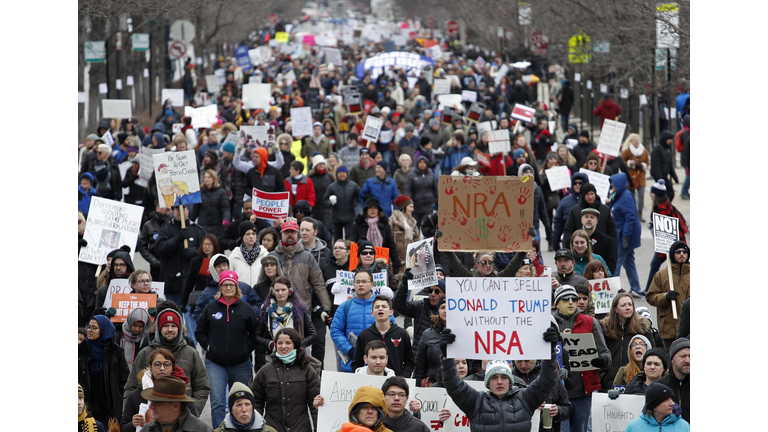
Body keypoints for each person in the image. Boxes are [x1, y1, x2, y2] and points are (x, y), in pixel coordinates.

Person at [439, 325, 561, 432]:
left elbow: (547, 381)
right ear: (487, 383)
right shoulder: (476, 402)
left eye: (504, 377)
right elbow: (454, 385)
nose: (499, 382)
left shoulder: (525, 398)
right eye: (494, 378)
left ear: (510, 381)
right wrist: (446, 357)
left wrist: (550, 353)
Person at [195, 270, 260, 428]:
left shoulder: (246, 309)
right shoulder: (211, 308)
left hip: (241, 363)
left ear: (237, 287)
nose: (228, 287)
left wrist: (246, 350)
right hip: (215, 363)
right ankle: (220, 430)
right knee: (218, 402)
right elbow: (200, 331)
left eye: (231, 284)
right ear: (220, 287)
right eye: (225, 284)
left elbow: (256, 333)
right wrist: (209, 346)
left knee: (240, 401)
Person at [123, 307, 211, 415]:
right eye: (166, 326)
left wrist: (192, 413)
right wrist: (129, 415)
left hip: (183, 418)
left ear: (179, 328)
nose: (170, 329)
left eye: (173, 326)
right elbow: (131, 387)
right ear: (159, 328)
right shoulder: (145, 353)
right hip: (149, 418)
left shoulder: (191, 353)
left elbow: (202, 386)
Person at [552, 285, 611, 432]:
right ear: (557, 303)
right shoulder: (549, 323)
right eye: (566, 299)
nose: (571, 302)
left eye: (574, 299)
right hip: (558, 394)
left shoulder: (590, 322)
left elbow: (605, 354)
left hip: (583, 392)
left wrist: (602, 361)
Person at [269, 220, 333, 334]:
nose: (289, 234)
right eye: (286, 232)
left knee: (302, 346)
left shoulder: (307, 256)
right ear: (281, 234)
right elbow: (263, 282)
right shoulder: (272, 256)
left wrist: (327, 307)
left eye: (292, 232)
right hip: (276, 310)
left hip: (302, 309)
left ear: (296, 234)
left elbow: (318, 283)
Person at [252, 328, 321, 432]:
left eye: (288, 343)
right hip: (272, 428)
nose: (283, 346)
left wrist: (319, 428)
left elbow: (315, 405)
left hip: (301, 428)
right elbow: (256, 403)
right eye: (280, 343)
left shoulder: (307, 370)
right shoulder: (265, 372)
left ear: (295, 344)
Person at [120, 348, 197, 432]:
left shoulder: (181, 395)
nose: (162, 368)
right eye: (157, 364)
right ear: (150, 367)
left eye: (167, 364)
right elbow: (123, 427)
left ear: (172, 368)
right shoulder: (136, 395)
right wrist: (133, 424)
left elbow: (194, 424)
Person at [78, 315, 130, 426]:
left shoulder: (115, 352)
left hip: (109, 411)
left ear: (104, 330)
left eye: (94, 328)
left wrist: (119, 403)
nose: (89, 330)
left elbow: (124, 381)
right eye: (89, 327)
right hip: (85, 409)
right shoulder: (80, 351)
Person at [599, 292, 655, 390]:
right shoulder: (605, 329)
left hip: (636, 380)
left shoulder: (642, 329)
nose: (628, 307)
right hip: (610, 381)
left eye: (630, 304)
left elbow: (652, 354)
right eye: (623, 305)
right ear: (615, 309)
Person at [155, 205, 208, 305]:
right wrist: (177, 239)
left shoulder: (198, 230)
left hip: (193, 285)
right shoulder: (166, 230)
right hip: (173, 283)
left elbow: (208, 251)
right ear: (173, 211)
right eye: (177, 209)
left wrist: (195, 252)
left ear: (188, 211)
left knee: (191, 317)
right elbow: (160, 249)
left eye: (183, 208)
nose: (180, 212)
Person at [255, 276, 317, 360]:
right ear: (272, 292)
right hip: (273, 358)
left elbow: (313, 335)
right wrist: (271, 345)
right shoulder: (266, 310)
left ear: (290, 291)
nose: (280, 293)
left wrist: (296, 345)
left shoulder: (299, 310)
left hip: (296, 358)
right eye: (277, 290)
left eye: (283, 290)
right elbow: (256, 336)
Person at [352, 295, 414, 378]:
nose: (380, 309)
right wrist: (364, 378)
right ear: (372, 313)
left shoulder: (401, 334)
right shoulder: (364, 335)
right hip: (371, 382)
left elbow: (409, 362)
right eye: (377, 307)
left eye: (384, 306)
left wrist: (402, 378)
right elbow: (356, 363)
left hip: (395, 383)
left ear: (391, 312)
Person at [644, 180, 689, 293]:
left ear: (656, 195)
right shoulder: (663, 204)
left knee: (658, 265)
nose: (650, 194)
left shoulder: (663, 208)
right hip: (673, 243)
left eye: (652, 193)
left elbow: (663, 230)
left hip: (672, 244)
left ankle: (650, 289)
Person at [646, 242, 690, 352]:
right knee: (670, 358)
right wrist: (665, 297)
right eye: (678, 252)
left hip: (689, 327)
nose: (682, 254)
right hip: (668, 326)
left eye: (685, 252)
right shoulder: (661, 275)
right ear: (671, 254)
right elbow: (650, 297)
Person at [511, 359, 571, 432]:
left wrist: (557, 411)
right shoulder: (508, 379)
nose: (523, 365)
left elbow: (567, 408)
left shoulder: (550, 377)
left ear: (536, 359)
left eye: (527, 361)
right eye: (519, 361)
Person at [609, 173, 643, 296]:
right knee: (629, 262)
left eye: (613, 184)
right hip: (622, 234)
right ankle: (636, 288)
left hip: (624, 236)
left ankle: (612, 290)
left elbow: (630, 218)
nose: (611, 186)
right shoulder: (619, 195)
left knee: (616, 263)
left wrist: (626, 237)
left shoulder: (626, 197)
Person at [141, 376, 214, 432]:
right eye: (151, 401)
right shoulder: (147, 429)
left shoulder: (202, 430)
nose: (151, 406)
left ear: (175, 406)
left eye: (157, 402)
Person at [349, 198, 402, 273]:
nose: (373, 210)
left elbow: (391, 245)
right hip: (362, 263)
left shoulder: (385, 225)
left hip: (381, 262)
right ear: (366, 210)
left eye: (375, 208)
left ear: (378, 210)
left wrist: (396, 263)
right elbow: (352, 243)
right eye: (370, 208)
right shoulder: (358, 225)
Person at [562, 183, 617, 249]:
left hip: (602, 248)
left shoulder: (605, 210)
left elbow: (612, 231)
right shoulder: (575, 210)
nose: (590, 197)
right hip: (579, 249)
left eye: (592, 194)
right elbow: (568, 231)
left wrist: (613, 250)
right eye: (587, 194)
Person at [623, 383, 689, 432]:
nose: (672, 403)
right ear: (654, 404)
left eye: (671, 399)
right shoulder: (633, 427)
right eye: (666, 400)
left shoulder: (684, 426)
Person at [413, 296, 448, 386]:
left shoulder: (463, 334)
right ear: (438, 311)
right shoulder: (428, 334)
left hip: (458, 386)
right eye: (442, 307)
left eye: (449, 307)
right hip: (432, 386)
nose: (445, 311)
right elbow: (420, 367)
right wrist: (416, 390)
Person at [654, 338, 690, 424]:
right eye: (683, 356)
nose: (688, 360)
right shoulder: (658, 386)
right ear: (672, 359)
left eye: (691, 356)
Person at [552, 172, 589, 251]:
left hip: (590, 243)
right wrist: (555, 240)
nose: (577, 185)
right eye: (575, 183)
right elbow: (558, 222)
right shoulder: (565, 202)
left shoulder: (592, 201)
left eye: (580, 183)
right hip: (570, 243)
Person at [190, 170, 231, 238]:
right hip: (203, 226)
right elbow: (195, 210)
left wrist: (226, 219)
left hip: (217, 226)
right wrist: (190, 222)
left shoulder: (221, 192)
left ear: (214, 179)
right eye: (205, 177)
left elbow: (225, 208)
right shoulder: (200, 192)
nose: (206, 179)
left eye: (209, 177)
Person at [325, 166, 362, 241]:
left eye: (344, 172)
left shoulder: (353, 185)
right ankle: (337, 252)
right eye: (339, 172)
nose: (342, 174)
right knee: (337, 239)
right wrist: (331, 203)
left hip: (350, 217)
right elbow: (325, 200)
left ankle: (349, 252)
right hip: (336, 218)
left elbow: (361, 196)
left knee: (349, 237)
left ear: (347, 174)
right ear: (336, 174)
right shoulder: (332, 186)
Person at [229, 221, 270, 288]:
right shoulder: (234, 256)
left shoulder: (265, 254)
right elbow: (230, 278)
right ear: (242, 236)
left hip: (259, 295)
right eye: (247, 234)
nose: (251, 237)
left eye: (253, 234)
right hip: (241, 294)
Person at [138, 203, 172, 281]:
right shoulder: (148, 225)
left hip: (172, 266)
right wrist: (154, 261)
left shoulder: (175, 224)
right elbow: (142, 246)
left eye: (169, 205)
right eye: (164, 205)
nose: (168, 208)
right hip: (156, 267)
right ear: (157, 208)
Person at [620, 134, 650, 222]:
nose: (637, 142)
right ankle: (632, 213)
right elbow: (621, 161)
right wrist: (630, 163)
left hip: (641, 177)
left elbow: (647, 162)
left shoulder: (643, 150)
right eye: (635, 140)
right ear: (631, 141)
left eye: (638, 140)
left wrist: (643, 165)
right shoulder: (627, 150)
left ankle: (640, 213)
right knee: (631, 196)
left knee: (641, 196)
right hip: (631, 177)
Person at [578, 208, 617, 274]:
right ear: (582, 220)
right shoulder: (572, 240)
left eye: (592, 217)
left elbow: (611, 263)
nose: (589, 219)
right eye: (586, 217)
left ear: (596, 221)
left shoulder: (606, 241)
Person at [389, 195, 419, 277]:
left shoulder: (413, 222)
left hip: (410, 261)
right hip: (396, 261)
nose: (412, 209)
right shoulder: (392, 221)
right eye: (410, 207)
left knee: (409, 284)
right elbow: (388, 241)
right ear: (403, 207)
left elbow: (417, 239)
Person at [404, 156, 438, 228]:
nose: (422, 164)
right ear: (417, 164)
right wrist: (408, 203)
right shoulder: (411, 175)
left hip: (428, 206)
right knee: (415, 227)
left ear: (427, 164)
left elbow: (435, 189)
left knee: (427, 227)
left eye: (424, 162)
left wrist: (437, 201)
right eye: (420, 162)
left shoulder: (431, 174)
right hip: (415, 207)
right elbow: (408, 190)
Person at [650, 131, 679, 202]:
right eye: (669, 139)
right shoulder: (657, 149)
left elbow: (670, 165)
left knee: (670, 193)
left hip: (665, 176)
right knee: (665, 194)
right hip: (660, 177)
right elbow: (656, 166)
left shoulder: (666, 149)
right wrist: (659, 179)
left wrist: (675, 177)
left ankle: (665, 207)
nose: (671, 141)